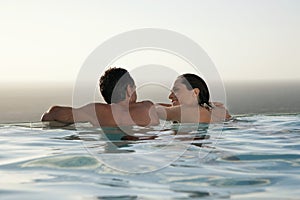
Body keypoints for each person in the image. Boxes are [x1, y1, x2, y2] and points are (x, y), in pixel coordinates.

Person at [41, 67, 159, 127]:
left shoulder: (97, 112)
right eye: (134, 87)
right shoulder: (147, 107)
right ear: (129, 89)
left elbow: (51, 114)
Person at [156, 73, 231, 123]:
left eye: (176, 90)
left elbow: (151, 110)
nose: (170, 96)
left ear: (195, 92)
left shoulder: (187, 112)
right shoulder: (217, 111)